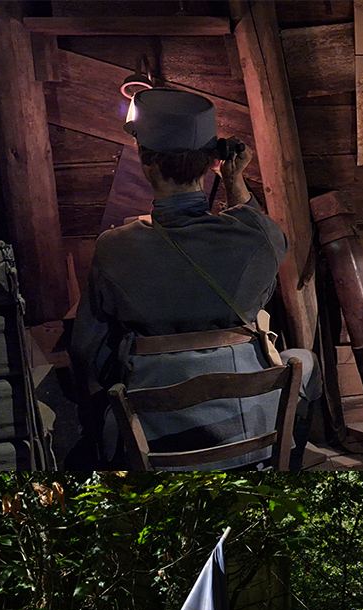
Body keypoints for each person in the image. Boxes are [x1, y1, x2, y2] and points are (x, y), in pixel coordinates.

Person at [69, 88, 321, 469]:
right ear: (210, 163)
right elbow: (260, 231)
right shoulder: (256, 237)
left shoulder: (114, 248)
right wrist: (235, 180)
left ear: (147, 164)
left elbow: (87, 351)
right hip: (251, 431)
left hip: (157, 441)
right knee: (304, 360)